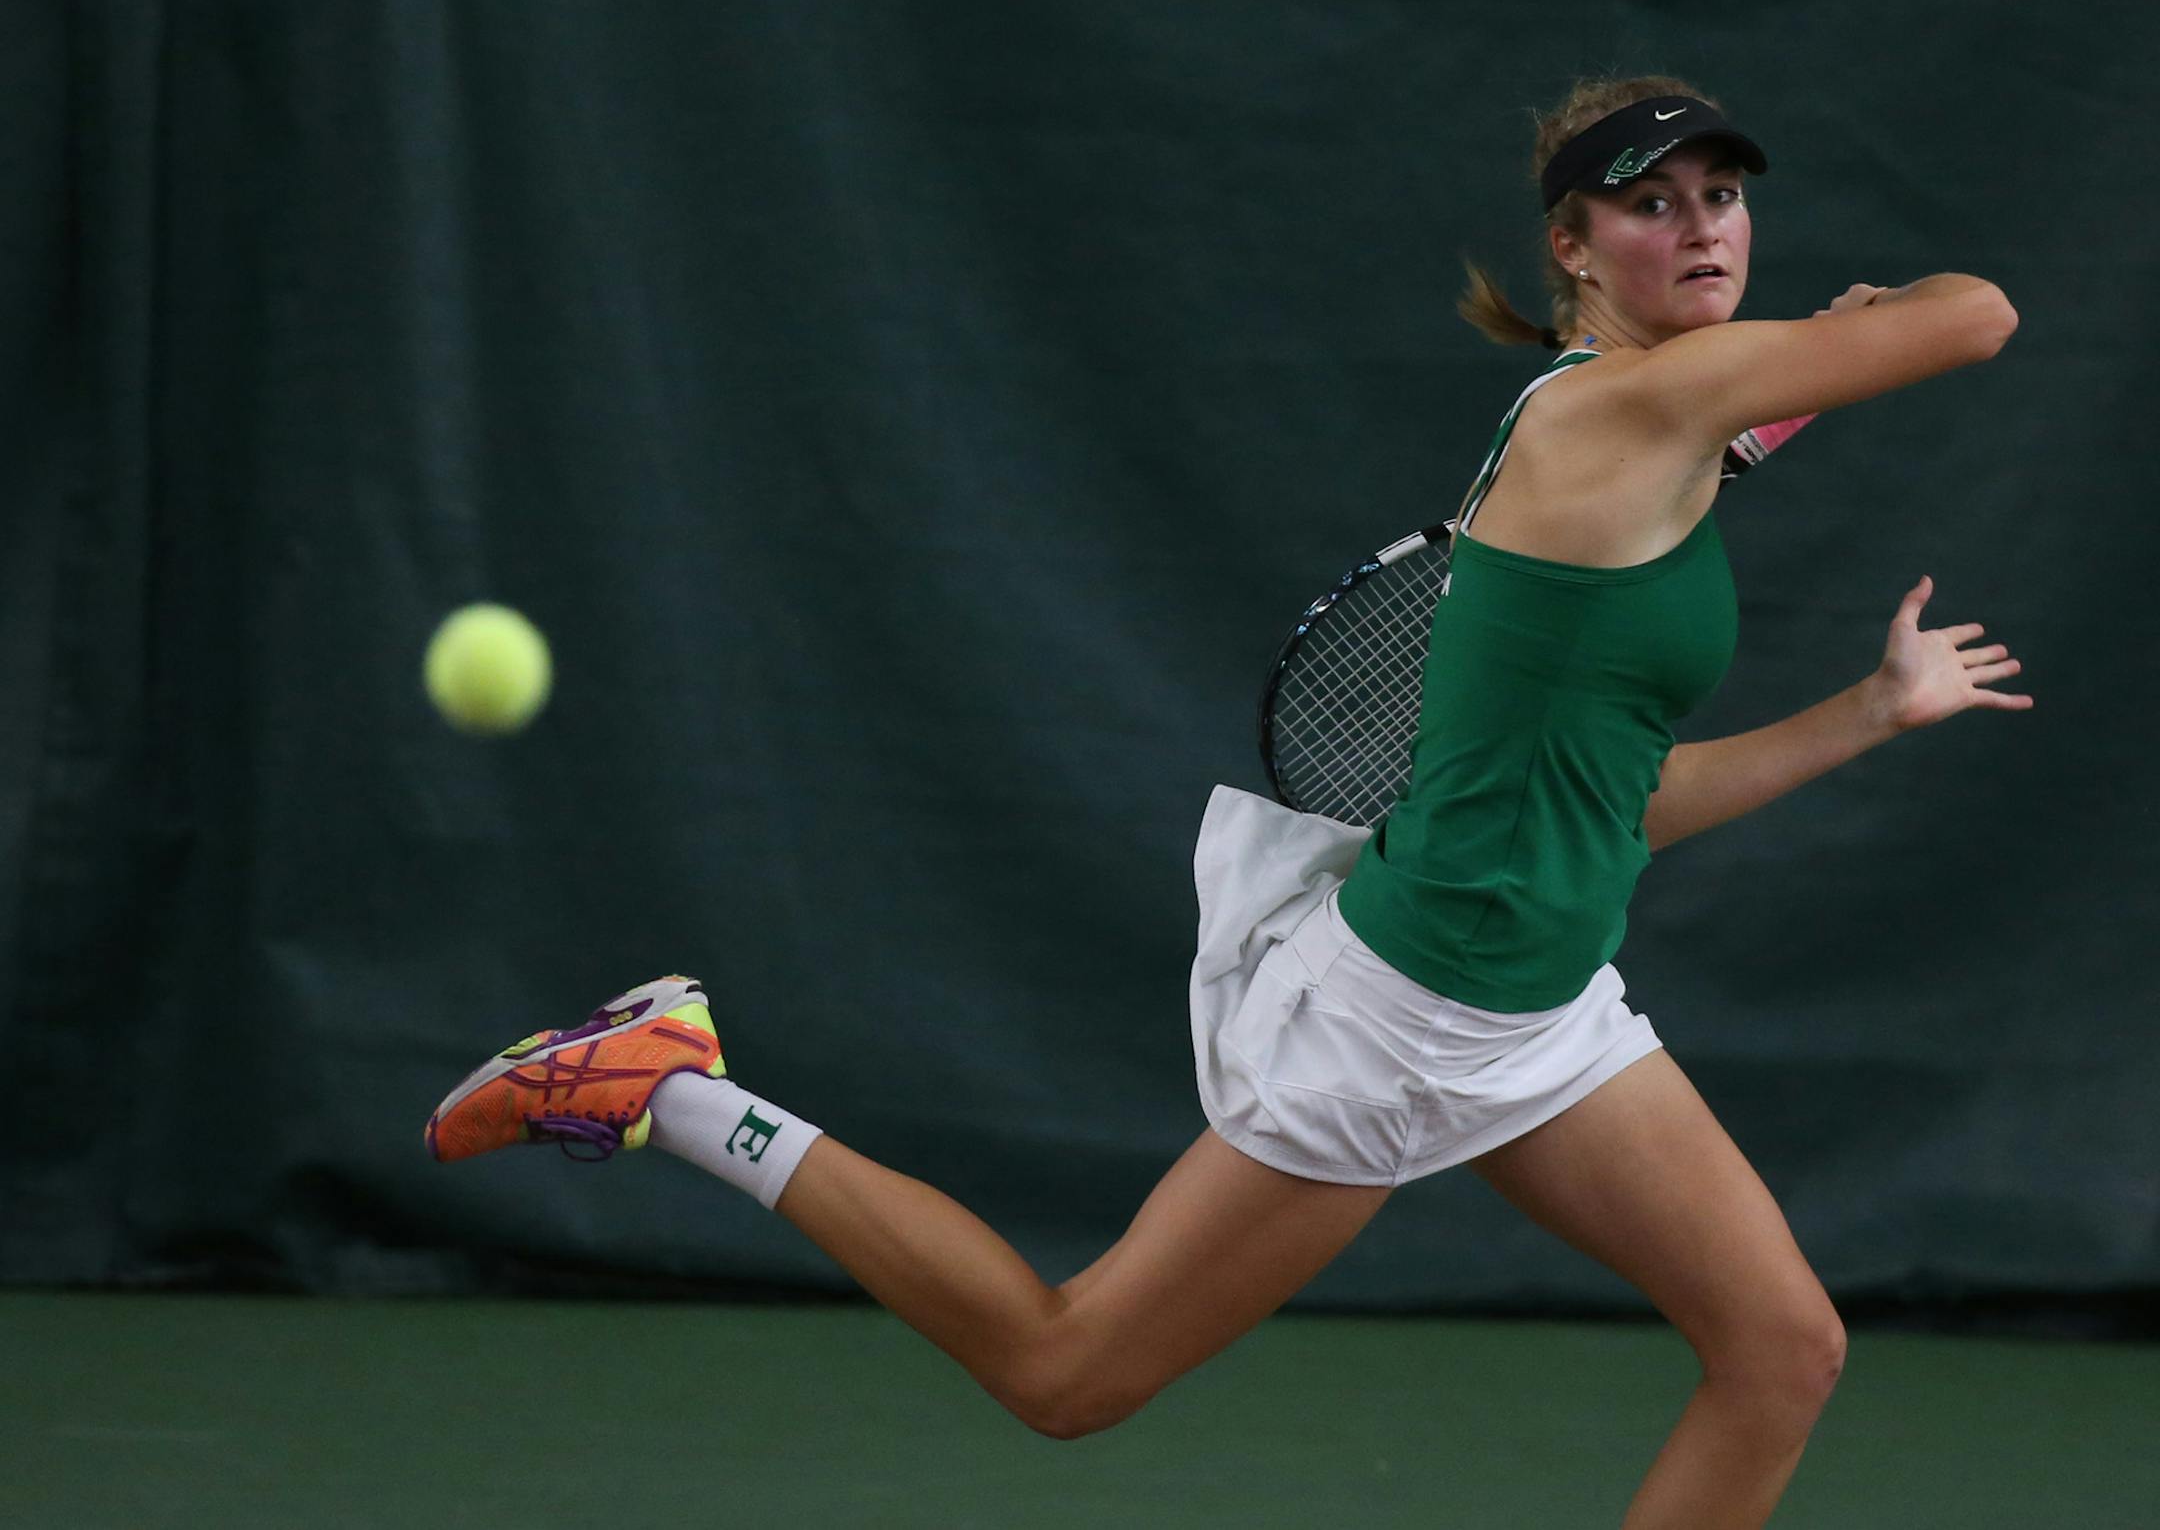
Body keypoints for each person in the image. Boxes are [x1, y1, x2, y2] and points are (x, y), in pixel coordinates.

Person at [424, 74, 2028, 1529]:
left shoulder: (1662, 426)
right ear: (1574, 246)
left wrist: (1871, 708)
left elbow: (1618, 810)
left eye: (1722, 195)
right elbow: (1981, 317)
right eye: (1652, 203)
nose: (1703, 227)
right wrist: (1862, 327)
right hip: (1399, 1021)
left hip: (1544, 1009)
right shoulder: (1625, 407)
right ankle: (669, 1085)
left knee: (1783, 1347)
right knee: (1065, 1371)